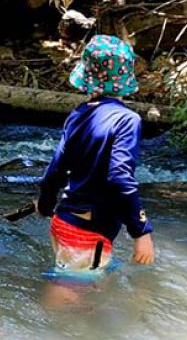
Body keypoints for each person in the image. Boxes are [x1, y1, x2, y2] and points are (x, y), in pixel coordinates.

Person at [34, 34, 155, 280]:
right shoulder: (127, 120)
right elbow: (120, 178)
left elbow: (55, 171)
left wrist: (45, 205)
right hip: (87, 232)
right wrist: (141, 231)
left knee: (84, 285)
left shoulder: (78, 115)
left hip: (63, 222)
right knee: (70, 295)